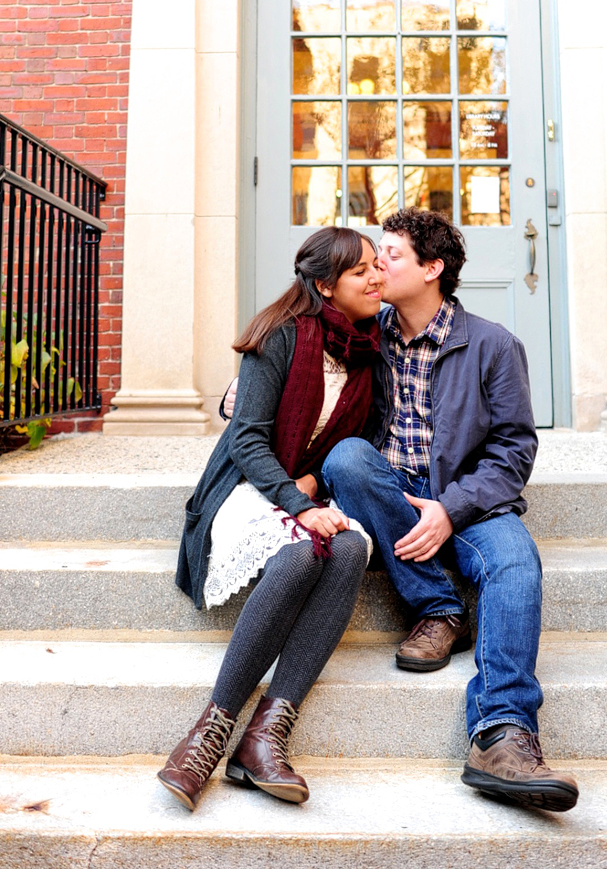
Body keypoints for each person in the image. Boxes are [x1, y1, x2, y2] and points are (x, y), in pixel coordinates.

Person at [321, 208, 580, 813]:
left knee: (516, 560)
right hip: (387, 489)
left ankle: (502, 733)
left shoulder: (494, 344)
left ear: (432, 268)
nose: (375, 263)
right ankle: (439, 608)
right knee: (348, 460)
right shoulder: (365, 332)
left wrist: (450, 507)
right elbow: (297, 356)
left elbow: (515, 450)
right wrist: (245, 389)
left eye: (390, 253)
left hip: (468, 497)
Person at [159, 227, 381, 812]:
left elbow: (362, 441)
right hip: (246, 487)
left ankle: (264, 739)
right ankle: (209, 733)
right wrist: (301, 503)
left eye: (377, 267)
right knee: (306, 549)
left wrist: (315, 489)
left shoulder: (368, 351)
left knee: (352, 550)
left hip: (302, 487)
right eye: (362, 272)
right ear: (327, 286)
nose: (377, 278)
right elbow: (249, 441)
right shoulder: (278, 335)